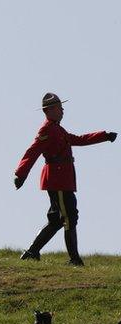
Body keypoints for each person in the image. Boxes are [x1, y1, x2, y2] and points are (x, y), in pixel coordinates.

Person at [14, 93, 115, 265]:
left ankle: (32, 252)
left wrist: (103, 136)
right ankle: (74, 259)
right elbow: (33, 151)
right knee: (69, 217)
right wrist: (21, 173)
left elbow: (78, 139)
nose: (63, 110)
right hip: (57, 179)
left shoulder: (58, 129)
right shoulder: (47, 129)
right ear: (50, 110)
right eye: (59, 107)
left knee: (57, 219)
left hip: (63, 179)